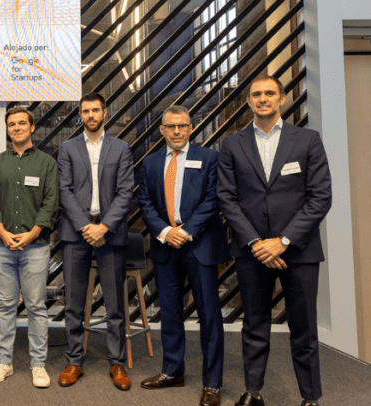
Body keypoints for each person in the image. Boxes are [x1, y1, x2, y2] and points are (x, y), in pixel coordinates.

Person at [217, 75, 331, 406]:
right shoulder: (232, 144)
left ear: (282, 98)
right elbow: (227, 199)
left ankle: (310, 398)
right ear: (248, 101)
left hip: (299, 251)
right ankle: (253, 392)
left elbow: (320, 197)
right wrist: (256, 243)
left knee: (304, 329)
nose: (263, 98)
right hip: (252, 252)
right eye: (256, 94)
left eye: (270, 93)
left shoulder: (307, 140)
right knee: (254, 325)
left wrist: (282, 241)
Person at [138, 105, 229, 406]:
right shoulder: (150, 164)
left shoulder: (209, 158)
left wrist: (186, 231)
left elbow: (213, 199)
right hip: (166, 246)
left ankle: (212, 383)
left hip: (199, 245)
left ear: (191, 128)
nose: (177, 131)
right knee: (170, 313)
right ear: (162, 130)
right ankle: (172, 371)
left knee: (209, 316)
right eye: (170, 126)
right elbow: (146, 202)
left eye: (182, 126)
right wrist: (165, 232)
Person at [56, 93, 134, 390]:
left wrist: (103, 227)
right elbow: (64, 190)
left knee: (114, 304)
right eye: (86, 111)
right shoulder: (67, 148)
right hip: (76, 233)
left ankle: (117, 363)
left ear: (105, 113)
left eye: (95, 110)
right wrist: (85, 226)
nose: (91, 115)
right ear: (80, 114)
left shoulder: (121, 148)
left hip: (110, 232)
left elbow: (126, 192)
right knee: (75, 303)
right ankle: (75, 361)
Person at [0, 106, 59, 388]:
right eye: (11, 124)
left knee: (36, 307)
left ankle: (38, 365)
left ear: (31, 126)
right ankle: (5, 362)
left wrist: (34, 232)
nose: (16, 128)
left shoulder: (46, 163)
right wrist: (1, 231)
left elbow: (51, 201)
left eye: (21, 123)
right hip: (1, 246)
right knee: (5, 306)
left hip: (36, 246)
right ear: (8, 129)